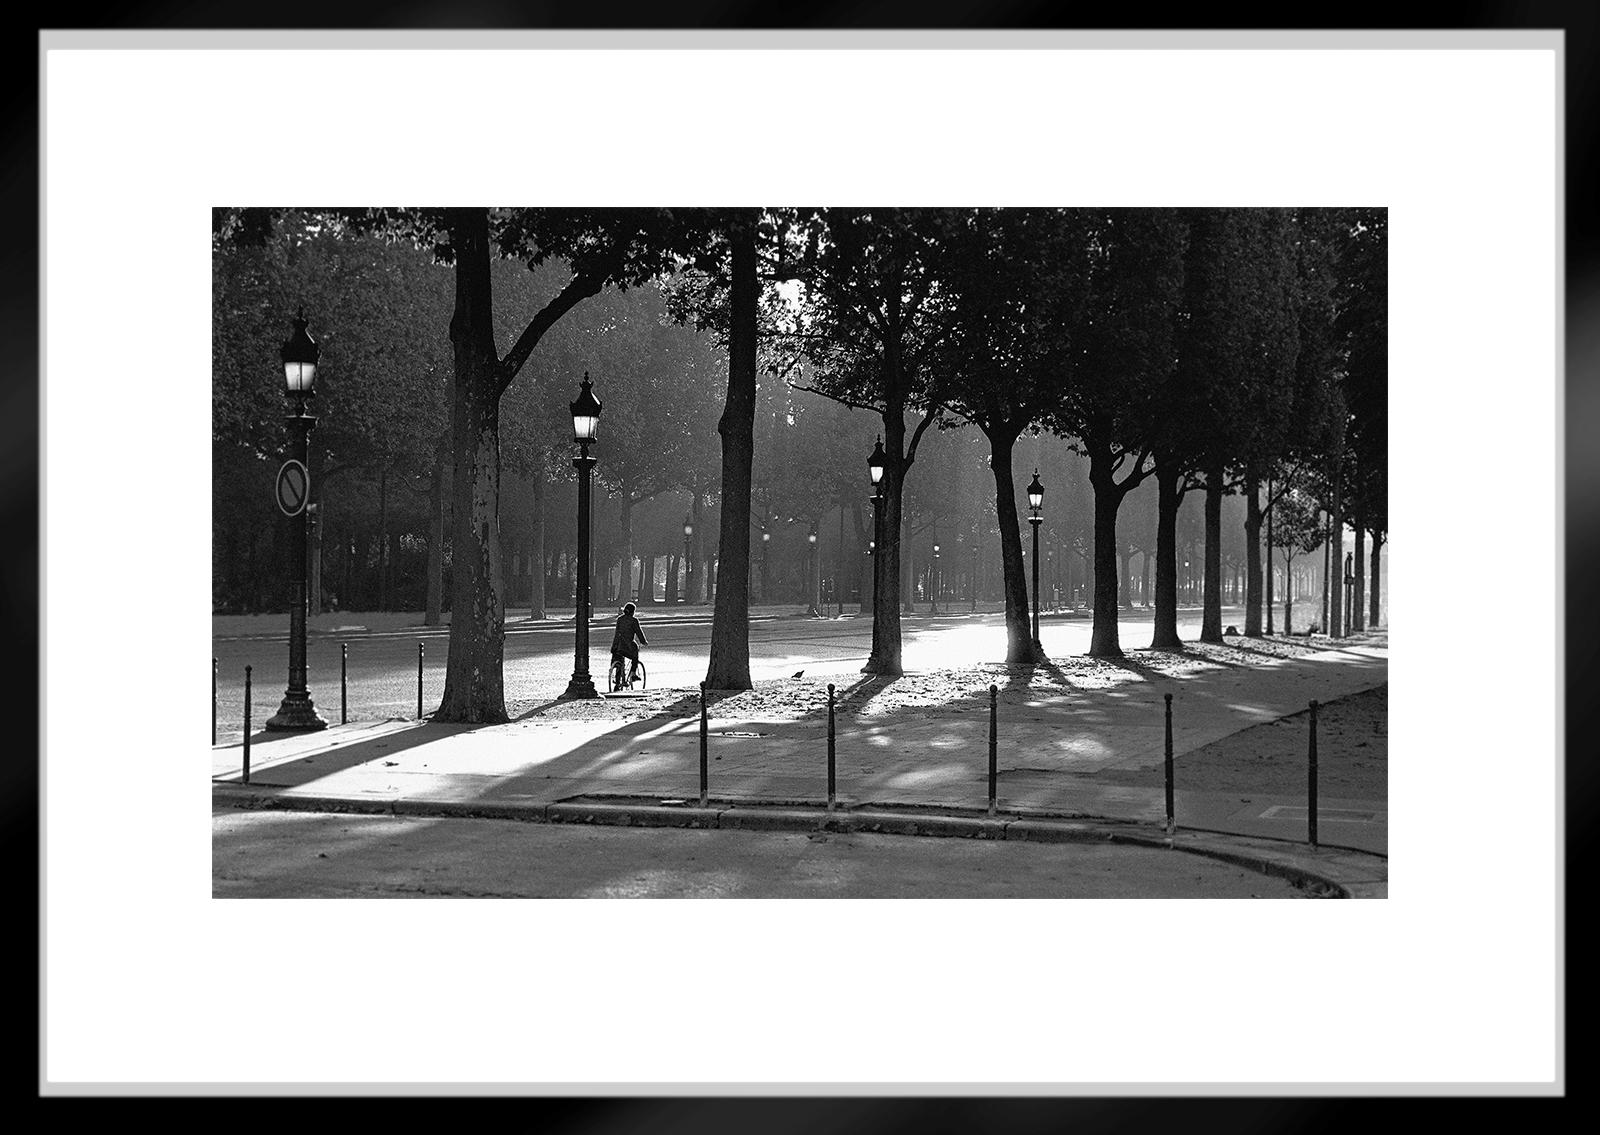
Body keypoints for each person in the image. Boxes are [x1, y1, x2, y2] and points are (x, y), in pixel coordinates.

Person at [610, 601, 648, 687]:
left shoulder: (620, 619)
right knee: (635, 654)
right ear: (633, 612)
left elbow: (617, 634)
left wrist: (614, 646)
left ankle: (617, 681)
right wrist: (643, 641)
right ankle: (633, 674)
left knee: (620, 660)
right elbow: (639, 633)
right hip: (628, 646)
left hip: (619, 645)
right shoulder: (634, 621)